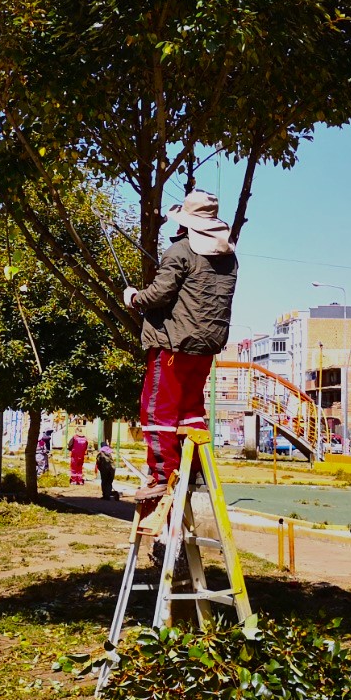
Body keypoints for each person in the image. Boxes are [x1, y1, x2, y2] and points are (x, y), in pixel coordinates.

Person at [123, 189, 239, 508]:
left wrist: (133, 298)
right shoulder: (229, 257)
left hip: (174, 344)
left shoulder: (181, 251)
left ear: (186, 224)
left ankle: (163, 476)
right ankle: (195, 470)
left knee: (156, 407)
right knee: (190, 411)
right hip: (206, 347)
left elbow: (159, 295)